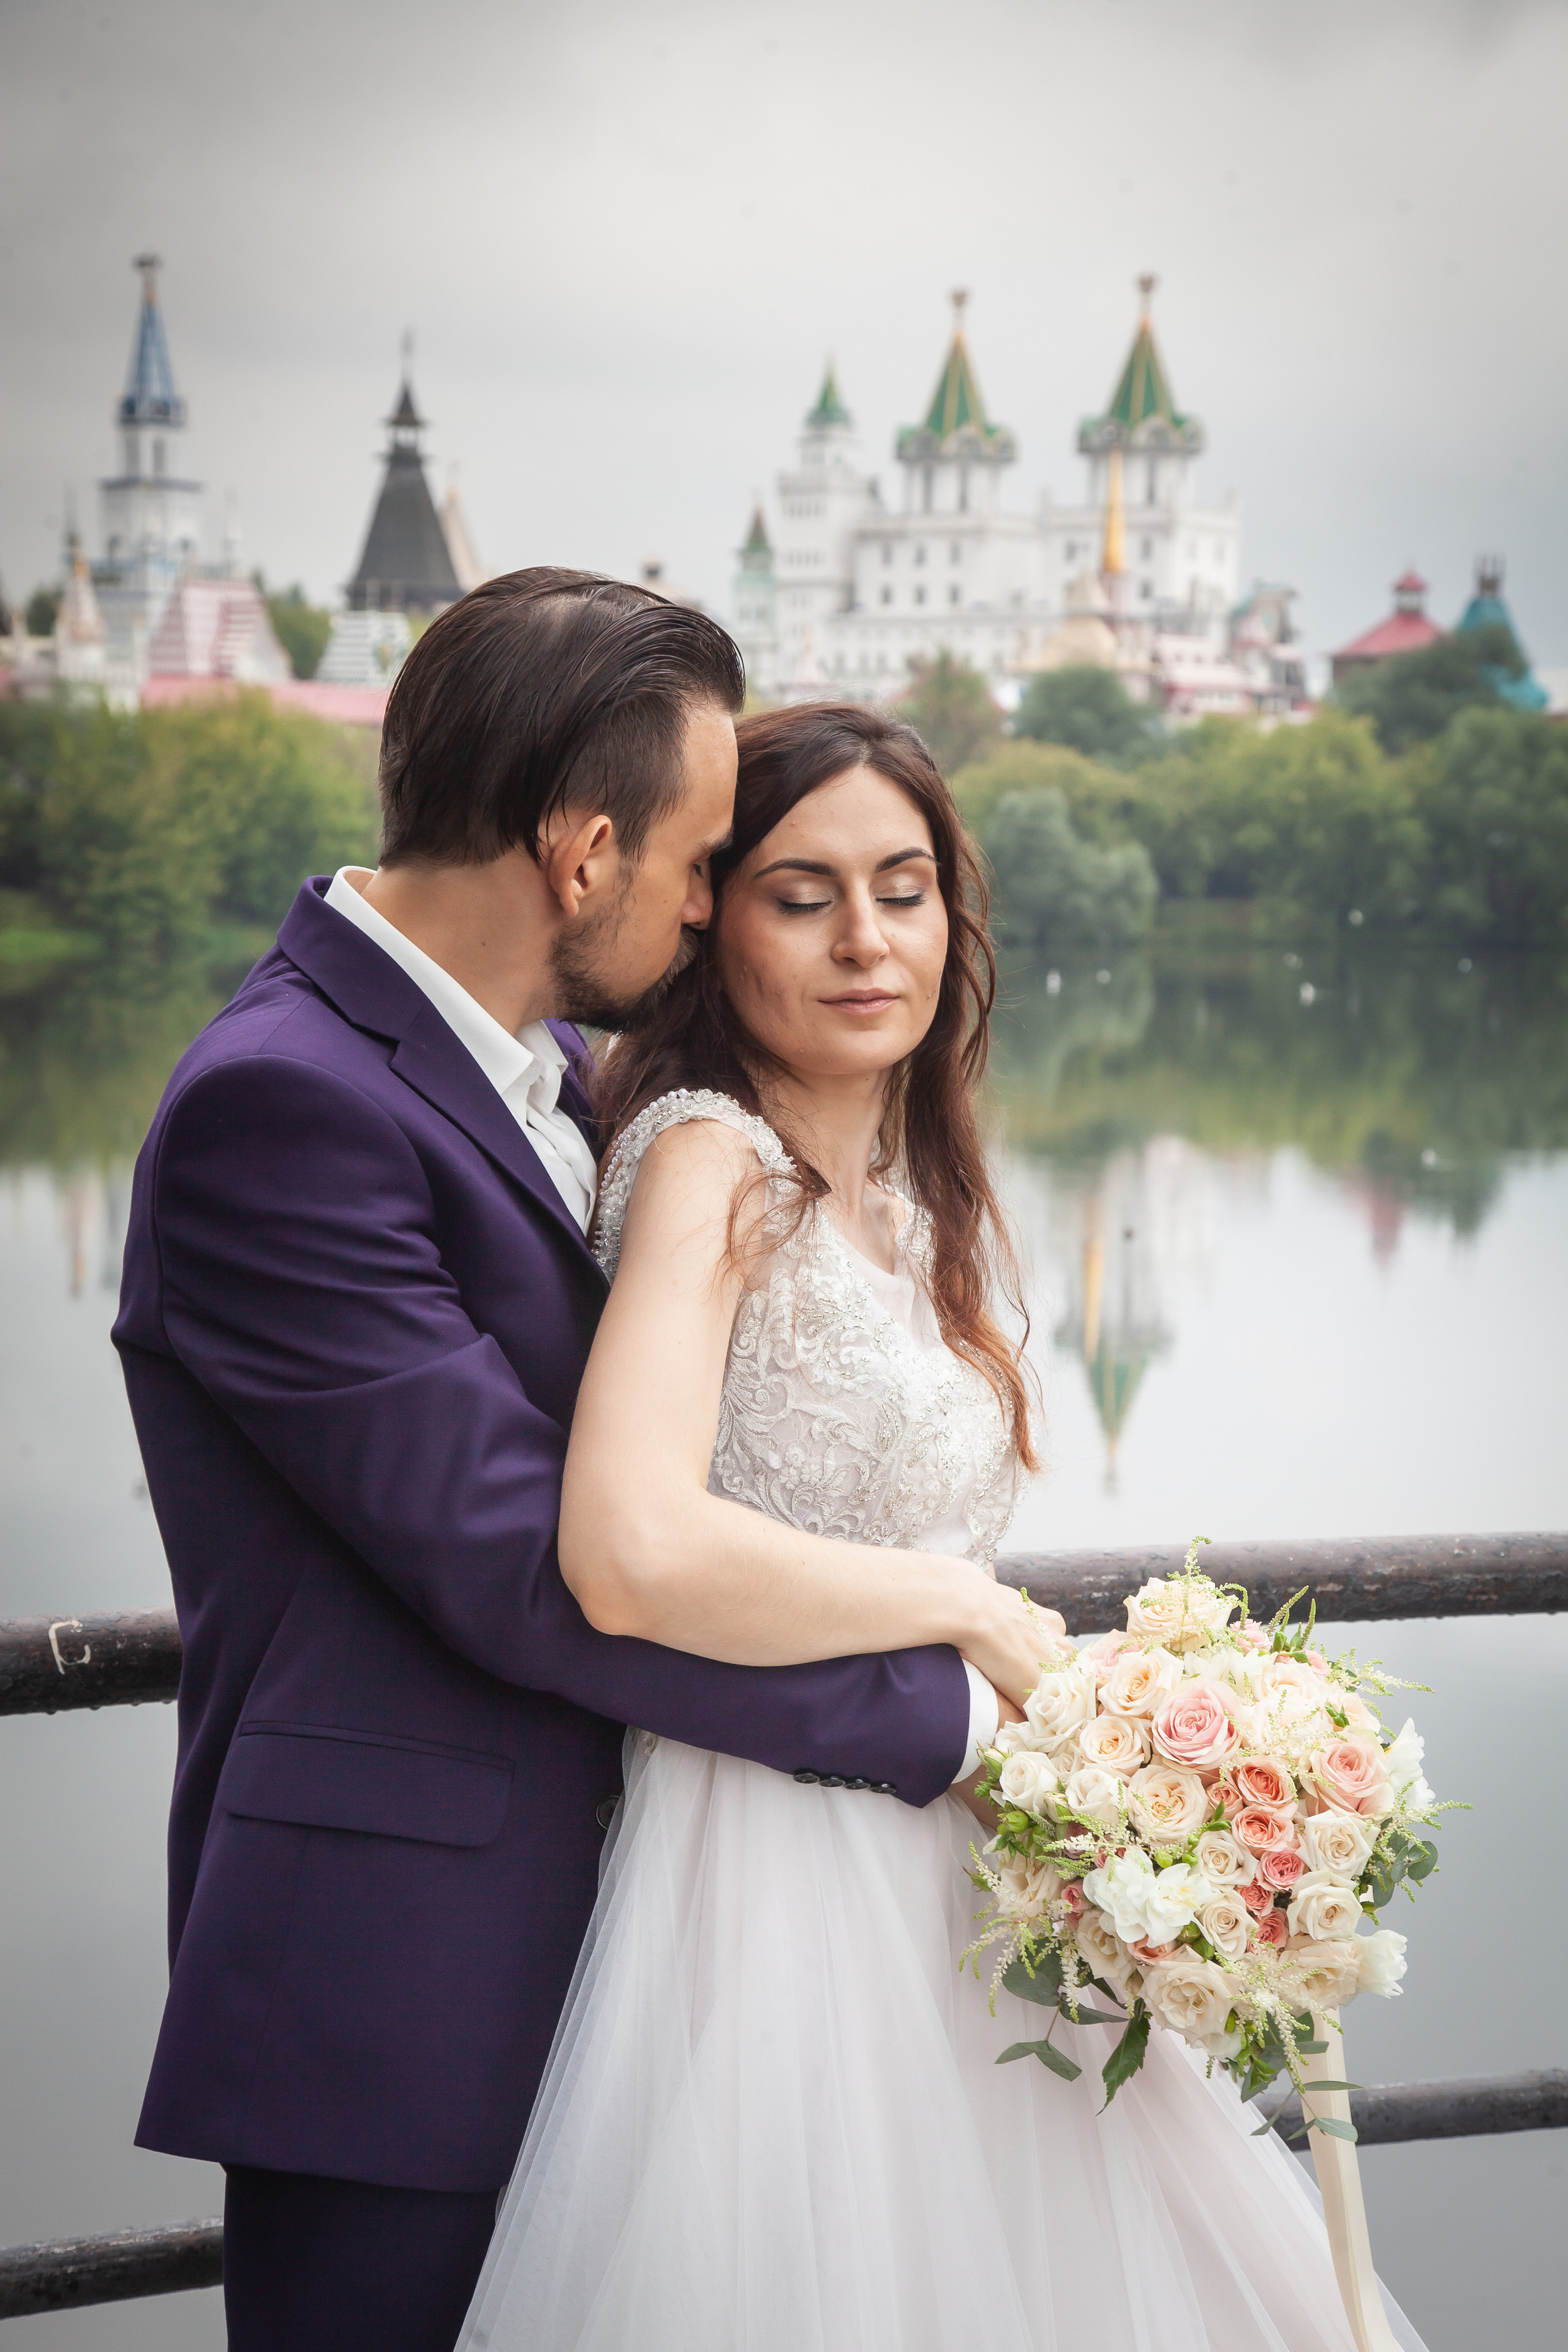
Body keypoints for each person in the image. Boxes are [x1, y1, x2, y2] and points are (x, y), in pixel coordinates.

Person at [112, 573, 1043, 2352]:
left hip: (666, 1956)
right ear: (584, 851)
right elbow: (527, 1566)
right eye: (710, 864)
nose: (708, 913)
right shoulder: (281, 1106)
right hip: (407, 1990)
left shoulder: (555, 1074)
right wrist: (956, 1711)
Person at [455, 701, 1428, 2352]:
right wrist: (962, 1611)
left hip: (962, 1848)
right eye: (799, 891)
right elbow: (626, 1551)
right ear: (711, 918)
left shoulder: (918, 1191)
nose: (864, 941)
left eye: (903, 889)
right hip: (772, 1859)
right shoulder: (709, 1161)